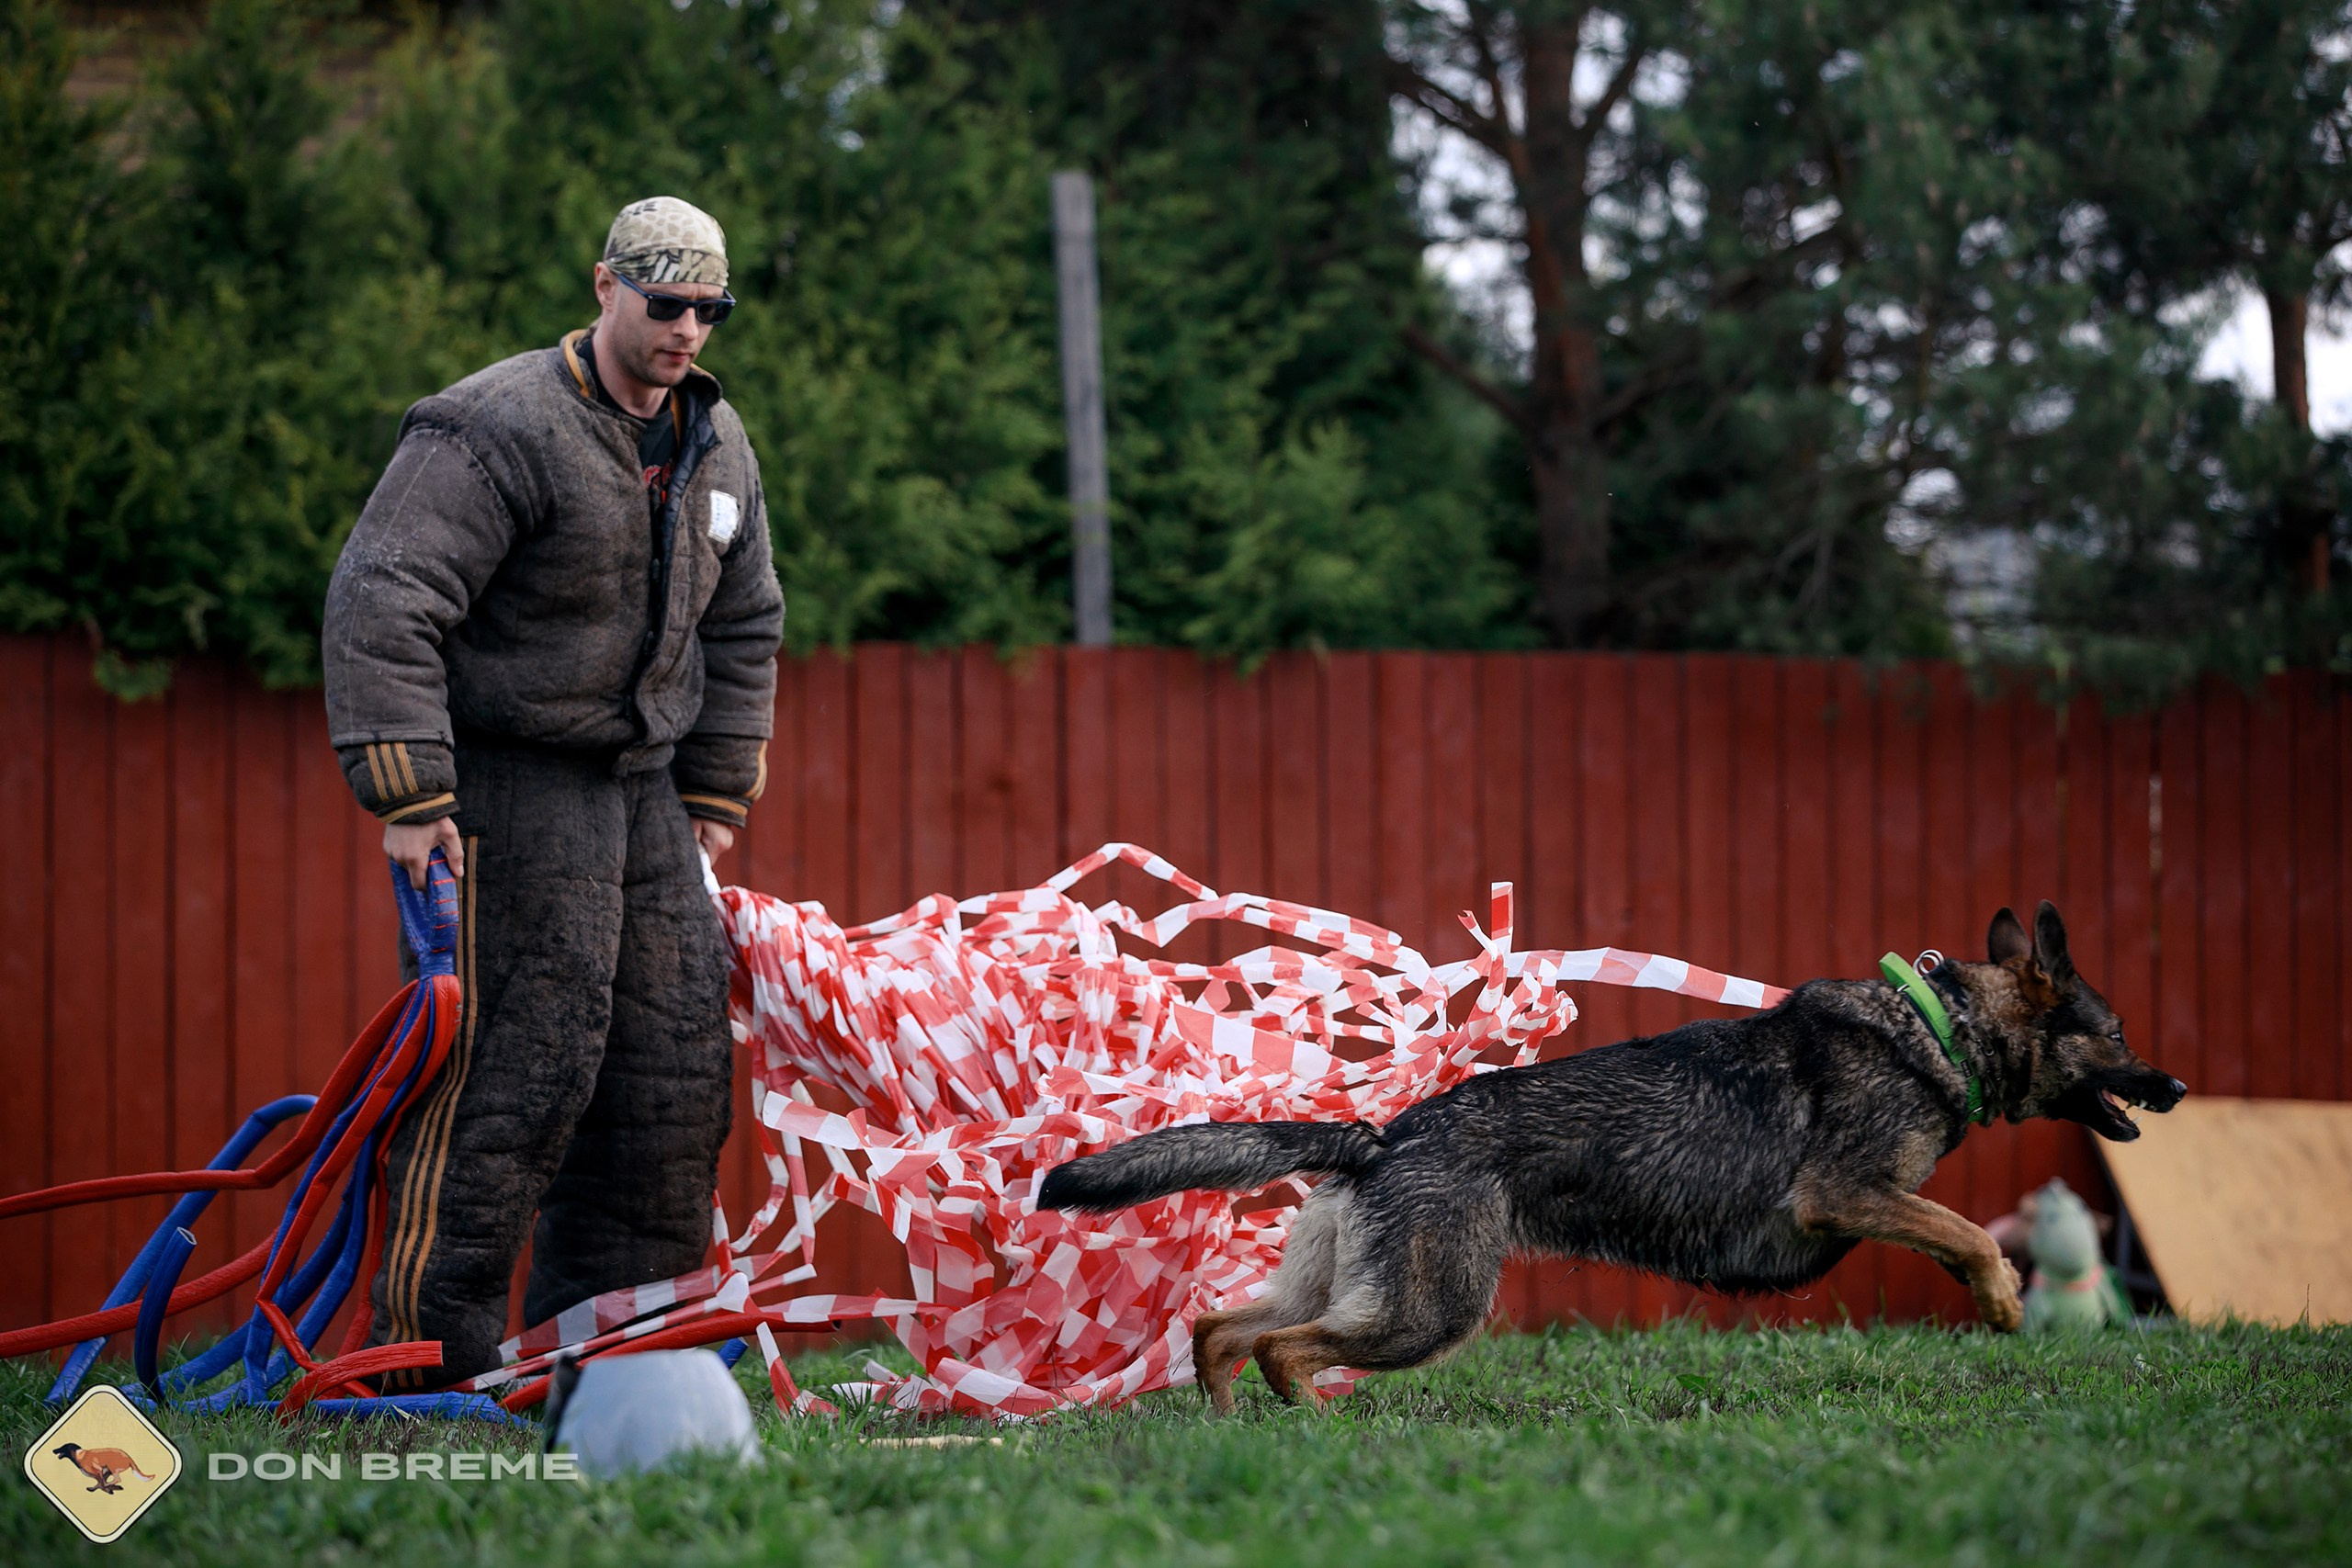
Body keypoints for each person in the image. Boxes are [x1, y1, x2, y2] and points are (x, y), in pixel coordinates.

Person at [321, 197, 784, 1385]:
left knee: (669, 1076)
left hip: (648, 799)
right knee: (516, 1074)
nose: (688, 328)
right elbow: (383, 594)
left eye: (708, 309)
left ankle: (617, 1368)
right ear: (605, 286)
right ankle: (420, 1371)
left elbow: (746, 625)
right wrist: (411, 793)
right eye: (665, 303)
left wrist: (717, 797)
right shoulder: (494, 427)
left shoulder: (717, 442)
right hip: (510, 787)